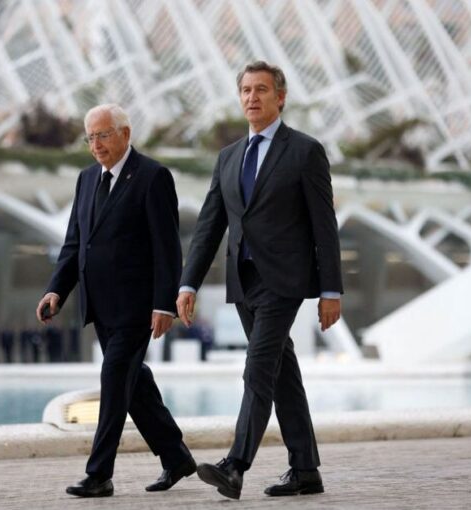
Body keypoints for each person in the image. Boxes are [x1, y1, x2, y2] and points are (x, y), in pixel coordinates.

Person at [176, 61, 343, 499]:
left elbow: (324, 225)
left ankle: (235, 465)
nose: (252, 97)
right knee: (281, 371)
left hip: (284, 281)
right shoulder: (229, 157)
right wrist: (187, 283)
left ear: (280, 97)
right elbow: (210, 224)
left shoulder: (305, 151)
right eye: (246, 90)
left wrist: (330, 289)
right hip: (243, 280)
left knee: (258, 368)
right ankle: (306, 469)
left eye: (262, 90)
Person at [36, 104, 196, 498]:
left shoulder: (152, 176)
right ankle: (176, 458)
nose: (96, 144)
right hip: (99, 304)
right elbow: (76, 242)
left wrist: (163, 304)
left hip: (136, 306)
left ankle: (99, 474)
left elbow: (166, 247)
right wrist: (57, 289)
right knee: (134, 383)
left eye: (104, 135)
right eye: (90, 137)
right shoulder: (87, 179)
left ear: (125, 134)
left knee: (113, 379)